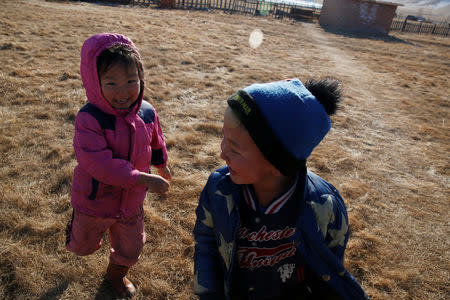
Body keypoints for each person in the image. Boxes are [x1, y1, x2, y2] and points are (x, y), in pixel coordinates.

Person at [193, 78, 369, 300]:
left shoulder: (324, 205)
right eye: (223, 138)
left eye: (235, 149)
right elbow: (206, 241)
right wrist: (208, 293)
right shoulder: (219, 190)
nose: (222, 153)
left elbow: (329, 266)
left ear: (278, 165)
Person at [65, 33, 172, 298]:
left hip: (130, 202)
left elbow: (155, 140)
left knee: (132, 247)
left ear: (141, 78)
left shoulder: (146, 111)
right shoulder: (90, 118)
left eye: (131, 81)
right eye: (111, 83)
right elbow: (98, 163)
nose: (123, 91)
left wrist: (162, 165)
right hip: (95, 199)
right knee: (82, 245)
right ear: (94, 81)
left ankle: (115, 277)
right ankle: (77, 229)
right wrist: (144, 179)